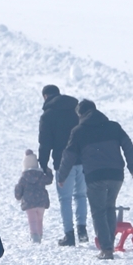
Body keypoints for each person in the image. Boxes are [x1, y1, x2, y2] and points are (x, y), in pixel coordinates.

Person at [55, 99, 133, 260]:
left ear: (80, 114)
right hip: (116, 175)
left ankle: (107, 249)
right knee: (109, 207)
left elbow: (69, 155)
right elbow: (128, 146)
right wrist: (132, 168)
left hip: (95, 176)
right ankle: (109, 245)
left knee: (99, 211)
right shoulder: (113, 126)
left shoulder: (79, 131)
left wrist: (62, 176)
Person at [37, 85, 86, 246]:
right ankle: (82, 231)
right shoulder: (78, 110)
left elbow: (45, 143)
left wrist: (43, 165)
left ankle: (69, 235)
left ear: (45, 96)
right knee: (81, 196)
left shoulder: (48, 116)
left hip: (63, 162)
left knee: (65, 199)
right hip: (83, 159)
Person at [15, 149, 53, 243]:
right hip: (41, 202)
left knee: (32, 220)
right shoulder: (41, 175)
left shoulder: (23, 178)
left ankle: (34, 236)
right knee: (39, 219)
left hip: (29, 203)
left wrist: (18, 195)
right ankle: (39, 235)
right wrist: (48, 171)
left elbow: (19, 191)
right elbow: (49, 180)